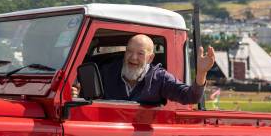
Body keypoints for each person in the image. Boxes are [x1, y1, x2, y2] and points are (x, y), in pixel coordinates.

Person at [73, 34, 215, 105]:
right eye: (129, 51)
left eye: (140, 54)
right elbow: (86, 96)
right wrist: (77, 94)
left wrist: (202, 73)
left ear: (150, 58)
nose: (133, 58)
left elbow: (190, 97)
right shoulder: (107, 72)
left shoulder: (160, 78)